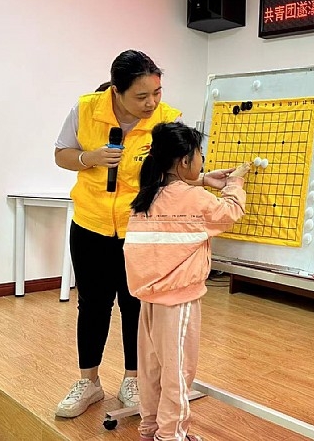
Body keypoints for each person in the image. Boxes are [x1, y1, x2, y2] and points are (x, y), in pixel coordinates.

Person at [53, 50, 233, 418]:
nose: (151, 103)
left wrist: (202, 180)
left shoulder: (168, 120)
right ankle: (89, 382)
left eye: (157, 92)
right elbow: (61, 154)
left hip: (143, 229)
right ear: (116, 91)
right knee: (92, 305)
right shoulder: (85, 109)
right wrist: (90, 158)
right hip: (90, 223)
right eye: (141, 96)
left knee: (137, 304)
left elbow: (173, 173)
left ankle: (132, 379)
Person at [123, 122, 250, 441]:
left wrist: (204, 180)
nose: (202, 161)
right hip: (178, 301)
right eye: (199, 155)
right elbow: (230, 212)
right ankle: (171, 435)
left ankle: (151, 427)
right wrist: (235, 182)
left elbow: (179, 198)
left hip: (148, 301)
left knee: (151, 369)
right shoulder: (194, 199)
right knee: (177, 371)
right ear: (184, 161)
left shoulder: (147, 195)